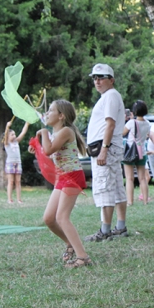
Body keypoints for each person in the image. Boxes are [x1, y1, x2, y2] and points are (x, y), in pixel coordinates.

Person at [33, 100, 91, 268]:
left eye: (50, 110)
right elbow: (48, 154)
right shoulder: (56, 133)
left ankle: (83, 257)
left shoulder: (65, 131)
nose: (47, 113)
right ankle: (70, 243)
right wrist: (37, 146)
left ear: (61, 115)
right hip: (62, 177)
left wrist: (43, 132)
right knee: (49, 218)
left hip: (72, 177)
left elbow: (49, 150)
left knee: (62, 217)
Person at [84, 63, 128, 242]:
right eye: (94, 78)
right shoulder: (110, 96)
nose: (97, 81)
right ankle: (120, 226)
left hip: (106, 148)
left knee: (105, 188)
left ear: (112, 80)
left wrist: (104, 149)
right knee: (116, 187)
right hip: (109, 147)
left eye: (101, 77)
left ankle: (105, 230)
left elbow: (110, 124)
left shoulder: (110, 96)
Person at [122, 100, 151, 205]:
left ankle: (130, 202)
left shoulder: (131, 122)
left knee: (129, 178)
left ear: (133, 112)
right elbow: (147, 135)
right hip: (142, 152)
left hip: (130, 152)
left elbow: (122, 133)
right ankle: (145, 201)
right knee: (142, 178)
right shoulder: (147, 123)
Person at [3, 120, 29, 204]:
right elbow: (6, 135)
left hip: (18, 163)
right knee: (11, 182)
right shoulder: (6, 143)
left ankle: (19, 199)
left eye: (14, 134)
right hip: (10, 163)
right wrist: (7, 127)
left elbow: (23, 132)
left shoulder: (16, 141)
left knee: (18, 182)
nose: (14, 136)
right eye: (12, 134)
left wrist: (27, 123)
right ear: (7, 136)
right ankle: (9, 199)